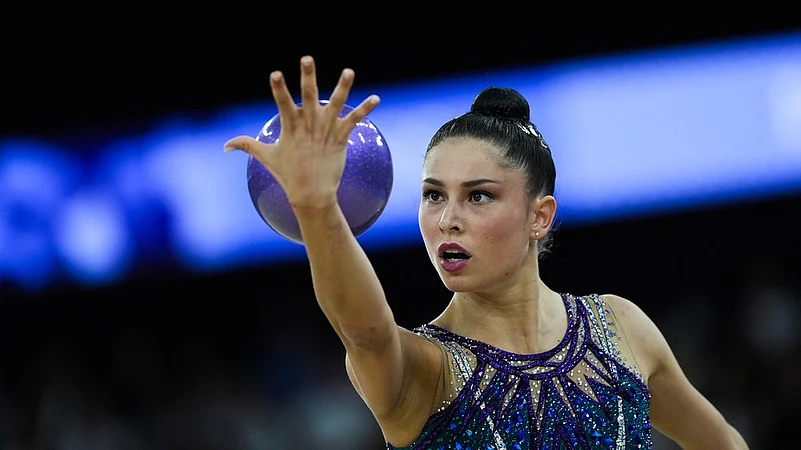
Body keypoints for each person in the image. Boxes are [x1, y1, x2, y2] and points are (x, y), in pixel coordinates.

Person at [224, 56, 749, 450]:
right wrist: (318, 209)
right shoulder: (427, 369)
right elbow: (364, 329)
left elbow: (721, 441)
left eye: (479, 196)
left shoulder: (620, 327)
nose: (448, 217)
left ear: (539, 217)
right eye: (434, 195)